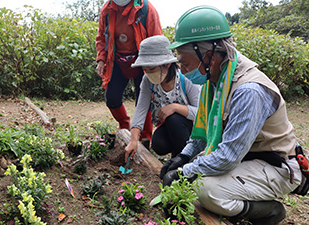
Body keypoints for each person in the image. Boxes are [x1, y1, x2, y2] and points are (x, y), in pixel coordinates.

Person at [159, 6, 303, 225]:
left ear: (208, 57)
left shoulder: (248, 91)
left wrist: (183, 172)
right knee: (196, 170)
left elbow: (227, 157)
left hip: (276, 165)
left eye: (185, 63)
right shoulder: (216, 81)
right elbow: (202, 136)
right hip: (249, 157)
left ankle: (268, 211)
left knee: (206, 190)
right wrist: (183, 157)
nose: (182, 69)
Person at [124, 35, 200, 162]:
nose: (149, 73)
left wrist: (175, 107)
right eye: (145, 69)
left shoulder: (185, 78)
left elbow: (201, 114)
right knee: (158, 144)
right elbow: (141, 109)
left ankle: (184, 160)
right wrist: (133, 140)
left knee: (174, 118)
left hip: (191, 128)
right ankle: (178, 153)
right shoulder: (148, 81)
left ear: (167, 64)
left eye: (152, 68)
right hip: (168, 126)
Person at [95, 0, 162, 144]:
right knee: (112, 98)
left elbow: (156, 38)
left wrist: (156, 65)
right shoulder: (107, 10)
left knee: (144, 100)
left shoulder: (146, 9)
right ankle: (124, 125)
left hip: (142, 62)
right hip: (117, 61)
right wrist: (101, 59)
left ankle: (145, 136)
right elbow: (101, 37)